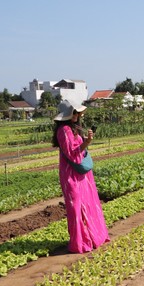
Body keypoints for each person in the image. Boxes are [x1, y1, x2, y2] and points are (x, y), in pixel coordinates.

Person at [52, 100, 110, 253]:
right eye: (75, 112)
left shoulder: (73, 128)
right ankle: (80, 242)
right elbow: (73, 154)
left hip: (81, 174)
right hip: (71, 174)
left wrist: (86, 141)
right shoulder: (64, 130)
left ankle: (89, 238)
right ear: (68, 114)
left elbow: (77, 148)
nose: (77, 115)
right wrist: (88, 142)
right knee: (76, 207)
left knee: (87, 203)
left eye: (78, 112)